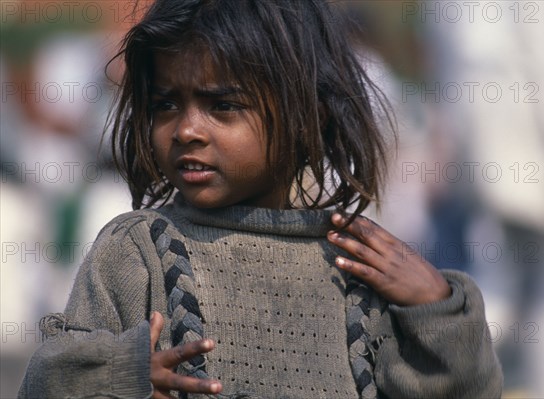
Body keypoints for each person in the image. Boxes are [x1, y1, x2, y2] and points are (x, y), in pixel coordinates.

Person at [18, 1, 502, 398]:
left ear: (304, 114)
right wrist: (122, 377)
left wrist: (436, 309)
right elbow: (47, 380)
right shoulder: (137, 250)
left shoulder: (357, 265)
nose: (187, 129)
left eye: (222, 106)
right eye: (166, 104)